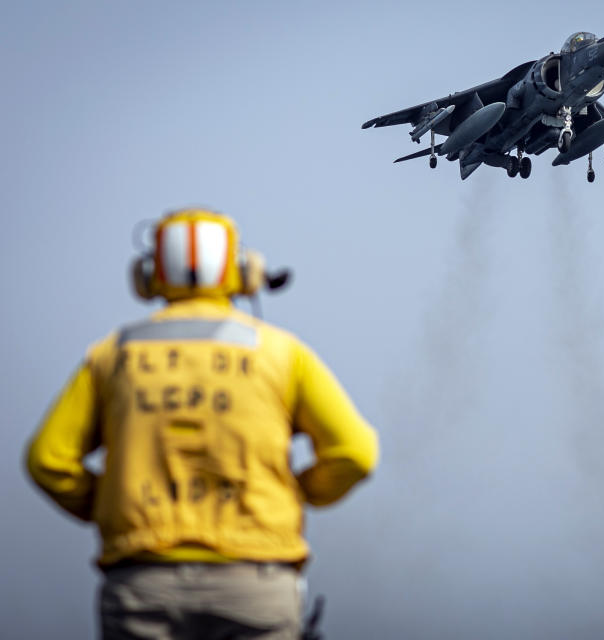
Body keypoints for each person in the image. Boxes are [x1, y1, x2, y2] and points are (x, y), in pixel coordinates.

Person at [25, 208, 379, 639]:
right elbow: (356, 453)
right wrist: (292, 495)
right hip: (256, 583)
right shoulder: (281, 353)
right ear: (246, 272)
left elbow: (47, 460)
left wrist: (111, 506)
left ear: (148, 274)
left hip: (142, 586)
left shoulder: (110, 355)